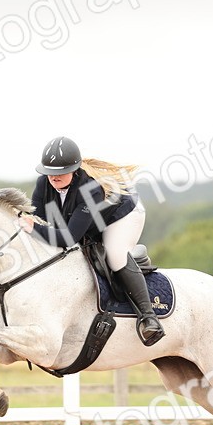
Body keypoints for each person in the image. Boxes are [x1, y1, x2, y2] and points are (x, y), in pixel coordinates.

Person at [18, 136, 164, 346]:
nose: (53, 178)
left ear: (74, 170)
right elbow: (41, 222)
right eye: (49, 173)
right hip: (91, 220)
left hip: (122, 215)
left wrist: (33, 227)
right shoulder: (43, 184)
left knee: (114, 256)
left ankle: (149, 317)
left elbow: (68, 237)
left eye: (59, 173)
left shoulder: (90, 189)